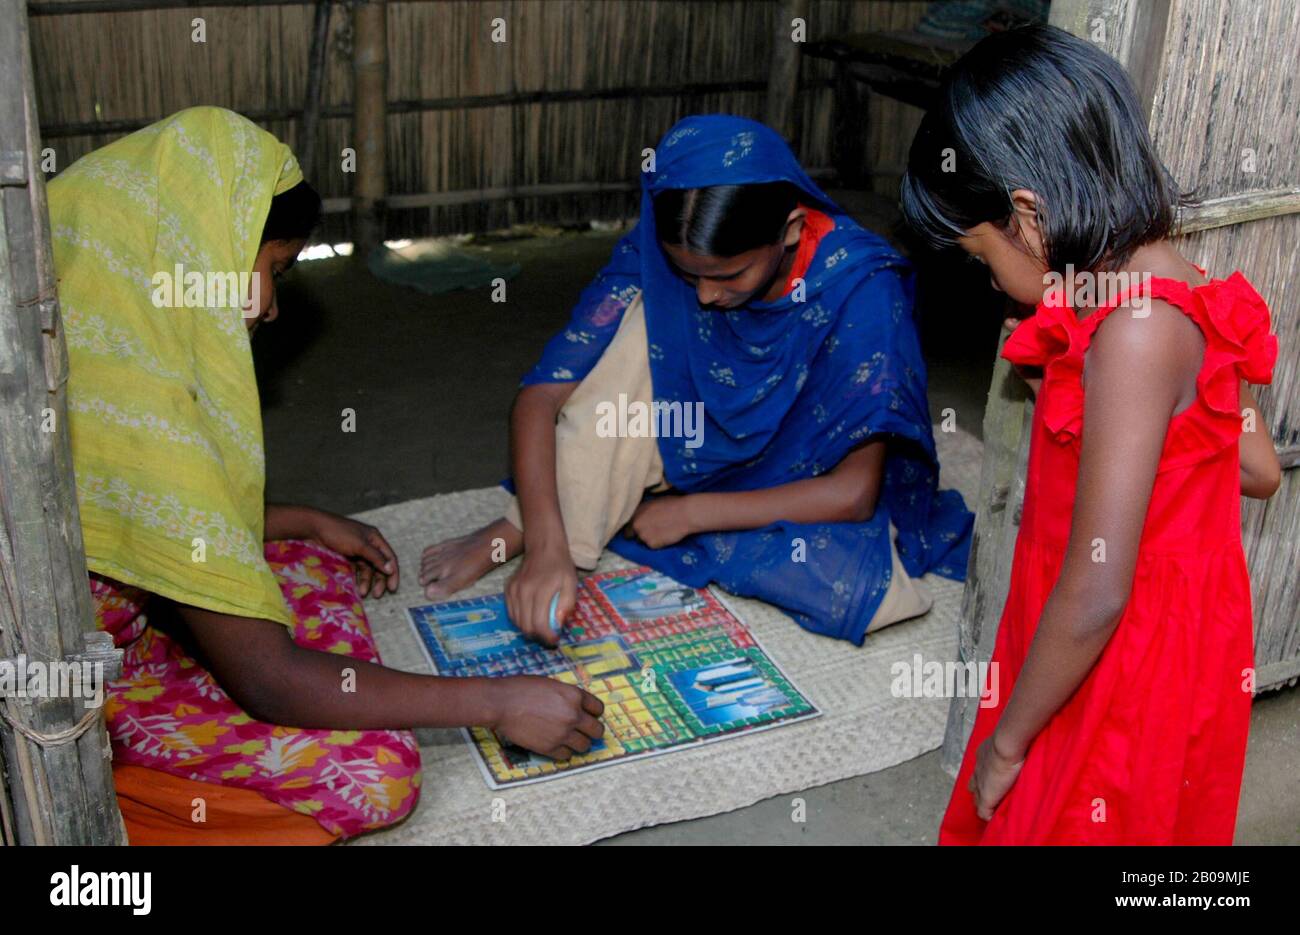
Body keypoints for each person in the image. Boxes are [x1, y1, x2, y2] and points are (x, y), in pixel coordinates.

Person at [52, 106, 603, 844]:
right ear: (197, 248)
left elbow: (145, 529)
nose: (274, 307)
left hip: (120, 618)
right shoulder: (129, 401)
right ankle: (127, 808)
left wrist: (307, 518)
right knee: (376, 771)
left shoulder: (96, 329)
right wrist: (498, 700)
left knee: (305, 558)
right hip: (81, 692)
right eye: (274, 271)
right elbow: (269, 683)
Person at [900, 25, 1281, 844]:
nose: (991, 280)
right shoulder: (1171, 285)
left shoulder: (1136, 331)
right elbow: (1257, 468)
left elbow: (1100, 587)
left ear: (1029, 219)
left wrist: (1004, 741)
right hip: (1125, 631)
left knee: (1059, 811)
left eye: (981, 255)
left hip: (1116, 650)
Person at [420, 114, 972, 646]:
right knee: (638, 330)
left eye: (731, 275)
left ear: (792, 230)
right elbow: (542, 396)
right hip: (684, 442)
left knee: (853, 590)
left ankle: (593, 506)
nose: (707, 295)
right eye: (690, 273)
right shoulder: (661, 258)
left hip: (798, 479)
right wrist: (545, 547)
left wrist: (691, 513)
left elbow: (853, 494)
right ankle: (545, 522)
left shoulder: (861, 288)